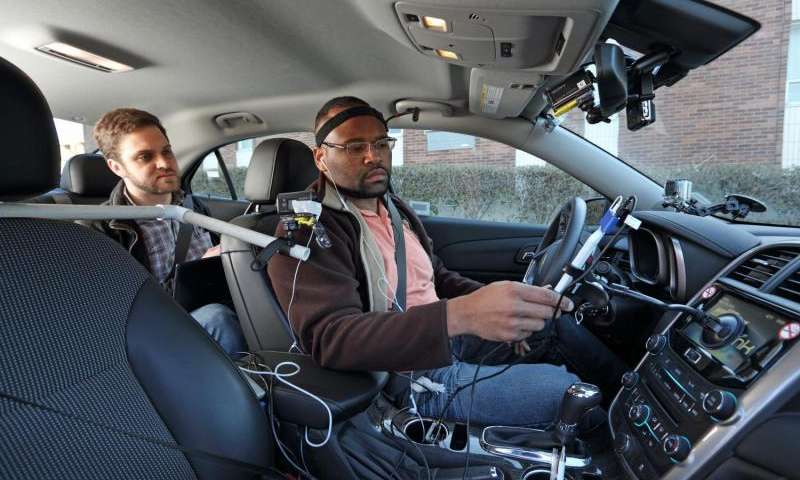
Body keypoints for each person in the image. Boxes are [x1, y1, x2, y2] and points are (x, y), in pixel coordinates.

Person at [267, 96, 627, 428]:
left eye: (380, 143)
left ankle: (635, 392)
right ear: (320, 158)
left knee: (556, 325)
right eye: (354, 147)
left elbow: (436, 276)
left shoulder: (393, 207)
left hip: (448, 338)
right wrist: (460, 315)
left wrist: (502, 304)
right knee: (568, 394)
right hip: (409, 377)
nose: (372, 156)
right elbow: (330, 339)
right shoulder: (307, 230)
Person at [91, 108, 247, 356]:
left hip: (213, 304)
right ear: (116, 167)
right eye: (144, 157)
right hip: (156, 334)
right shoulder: (100, 230)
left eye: (166, 151)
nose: (164, 163)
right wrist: (197, 269)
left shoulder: (193, 207)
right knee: (218, 318)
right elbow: (122, 314)